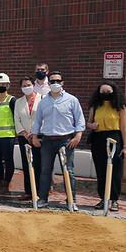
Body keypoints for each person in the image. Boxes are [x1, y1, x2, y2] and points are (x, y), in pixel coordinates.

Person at [31, 71, 86, 210]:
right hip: (48, 141)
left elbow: (79, 119)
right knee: (45, 170)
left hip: (66, 141)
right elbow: (38, 121)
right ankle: (43, 199)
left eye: (58, 81)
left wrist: (78, 136)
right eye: (53, 81)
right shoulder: (44, 102)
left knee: (69, 171)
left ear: (63, 82)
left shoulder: (72, 100)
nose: (55, 83)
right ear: (49, 83)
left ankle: (71, 200)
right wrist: (35, 136)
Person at [86, 82, 126, 212]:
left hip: (114, 138)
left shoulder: (120, 107)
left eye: (108, 91)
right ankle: (103, 198)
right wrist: (92, 126)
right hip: (98, 139)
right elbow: (89, 122)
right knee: (101, 170)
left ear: (114, 92)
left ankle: (114, 199)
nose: (105, 94)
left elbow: (124, 127)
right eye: (102, 91)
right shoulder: (95, 106)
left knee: (115, 170)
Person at [15, 76, 41, 201]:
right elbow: (17, 120)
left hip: (38, 137)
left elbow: (44, 118)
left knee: (39, 165)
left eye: (28, 85)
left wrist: (34, 133)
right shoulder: (18, 102)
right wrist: (25, 133)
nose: (26, 87)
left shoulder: (42, 99)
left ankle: (39, 192)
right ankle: (28, 191)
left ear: (33, 85)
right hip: (24, 137)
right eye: (24, 86)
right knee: (26, 164)